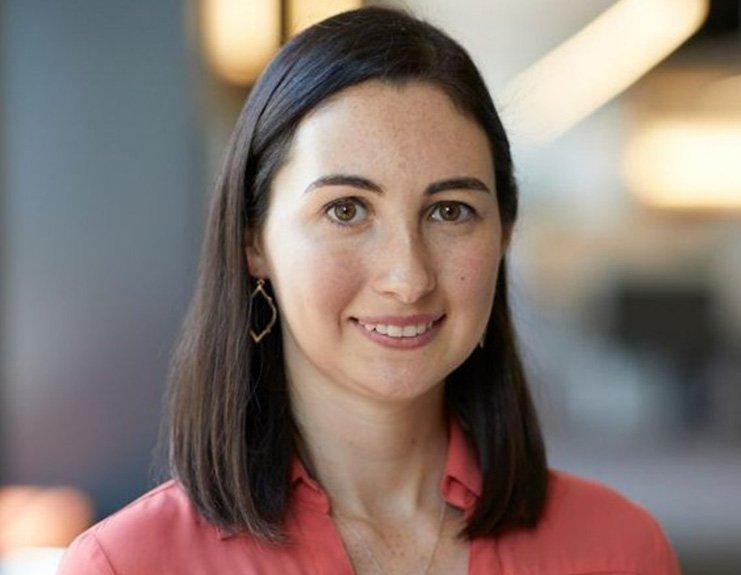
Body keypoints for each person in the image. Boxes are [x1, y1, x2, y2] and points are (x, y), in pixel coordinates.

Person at [57, 6, 682, 574]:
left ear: (504, 235)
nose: (408, 278)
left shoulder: (618, 549)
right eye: (346, 210)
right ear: (254, 242)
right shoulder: (130, 565)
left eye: (450, 212)